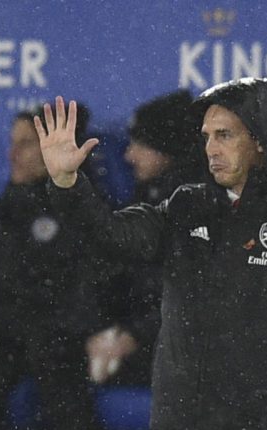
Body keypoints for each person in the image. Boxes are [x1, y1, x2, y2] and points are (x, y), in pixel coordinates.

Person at [34, 77, 267, 430]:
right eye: (207, 136)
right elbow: (112, 236)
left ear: (261, 140)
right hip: (178, 428)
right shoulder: (187, 205)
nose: (211, 148)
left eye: (224, 135)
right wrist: (67, 183)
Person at [0, 104, 104, 430]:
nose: (12, 155)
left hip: (55, 340)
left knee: (52, 364)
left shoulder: (82, 210)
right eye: (12, 143)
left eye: (25, 144)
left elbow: (84, 292)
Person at [85, 89, 200, 390]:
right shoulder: (144, 201)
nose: (128, 156)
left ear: (167, 149)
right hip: (143, 335)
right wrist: (103, 329)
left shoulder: (198, 210)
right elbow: (112, 274)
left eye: (140, 145)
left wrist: (133, 337)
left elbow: (192, 300)